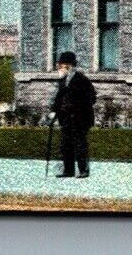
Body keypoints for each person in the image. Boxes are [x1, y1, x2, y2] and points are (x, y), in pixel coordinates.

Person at [47, 50, 97, 178]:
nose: (58, 67)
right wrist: (54, 112)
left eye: (61, 65)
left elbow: (92, 97)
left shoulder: (81, 79)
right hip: (66, 119)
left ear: (68, 66)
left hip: (80, 119)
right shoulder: (63, 80)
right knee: (66, 144)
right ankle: (68, 171)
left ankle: (84, 170)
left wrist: (78, 108)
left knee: (80, 144)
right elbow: (59, 98)